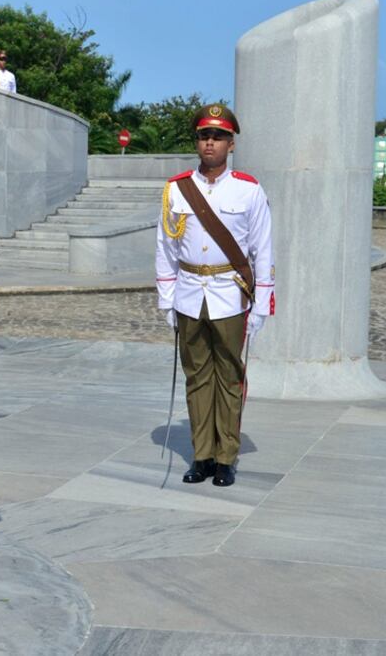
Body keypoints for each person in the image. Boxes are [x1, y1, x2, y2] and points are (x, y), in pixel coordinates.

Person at [155, 103, 274, 488]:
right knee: (197, 378)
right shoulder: (176, 189)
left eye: (218, 137)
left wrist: (261, 305)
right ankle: (202, 455)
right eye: (205, 136)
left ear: (231, 143)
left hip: (229, 295)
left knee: (229, 377)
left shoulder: (248, 189)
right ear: (197, 141)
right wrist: (166, 297)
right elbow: (166, 247)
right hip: (189, 293)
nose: (210, 143)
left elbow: (263, 249)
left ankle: (226, 457)